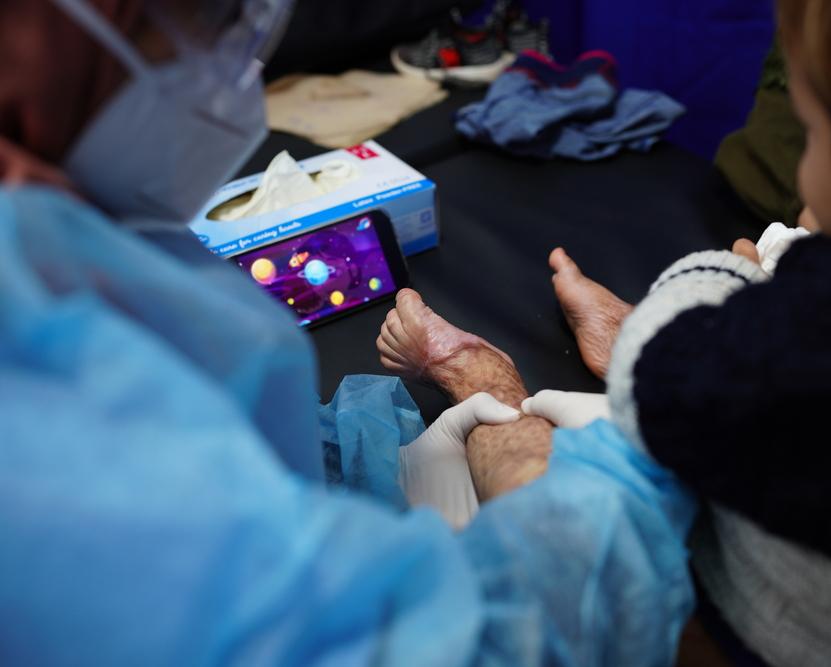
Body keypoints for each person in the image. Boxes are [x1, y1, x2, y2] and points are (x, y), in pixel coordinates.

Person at [0, 0, 701, 664]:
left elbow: (215, 433)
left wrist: (363, 457)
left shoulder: (51, 231)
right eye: (201, 22)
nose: (233, 73)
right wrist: (632, 454)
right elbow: (486, 644)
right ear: (42, 34)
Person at [378, 0, 831, 663]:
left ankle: (484, 384)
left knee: (582, 512)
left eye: (814, 135)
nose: (802, 172)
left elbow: (663, 376)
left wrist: (719, 274)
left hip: (754, 636)